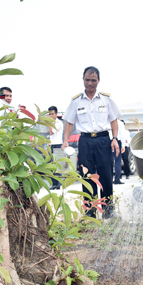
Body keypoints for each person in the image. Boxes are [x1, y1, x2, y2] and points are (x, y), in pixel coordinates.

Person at [62, 66, 122, 219]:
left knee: (106, 176)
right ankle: (90, 212)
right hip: (85, 141)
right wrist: (65, 142)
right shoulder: (76, 101)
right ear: (83, 80)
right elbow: (69, 123)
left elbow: (114, 120)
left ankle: (108, 211)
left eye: (93, 80)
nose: (90, 83)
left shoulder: (106, 99)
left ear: (98, 81)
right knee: (87, 176)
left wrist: (114, 138)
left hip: (103, 139)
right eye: (87, 80)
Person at [48, 106, 64, 190]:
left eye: (52, 114)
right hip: (51, 145)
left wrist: (49, 123)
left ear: (56, 114)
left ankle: (59, 181)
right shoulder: (51, 123)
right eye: (49, 114)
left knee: (56, 165)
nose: (50, 115)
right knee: (51, 165)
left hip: (57, 145)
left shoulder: (59, 123)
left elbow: (51, 132)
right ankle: (54, 184)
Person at [112, 119, 126, 185]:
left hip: (108, 141)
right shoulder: (120, 123)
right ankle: (117, 179)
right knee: (118, 161)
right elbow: (122, 135)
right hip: (118, 141)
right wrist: (123, 146)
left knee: (108, 162)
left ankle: (109, 179)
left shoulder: (108, 122)